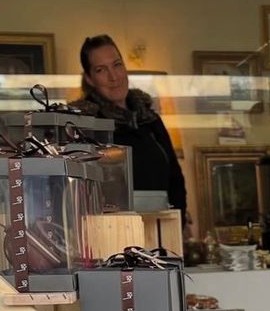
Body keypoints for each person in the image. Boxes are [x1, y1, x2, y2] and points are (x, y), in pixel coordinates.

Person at [73, 35, 187, 218]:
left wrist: (179, 221)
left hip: (161, 225)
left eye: (117, 65)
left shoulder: (150, 119)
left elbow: (175, 178)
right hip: (112, 229)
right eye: (101, 70)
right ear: (90, 79)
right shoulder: (86, 124)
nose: (113, 77)